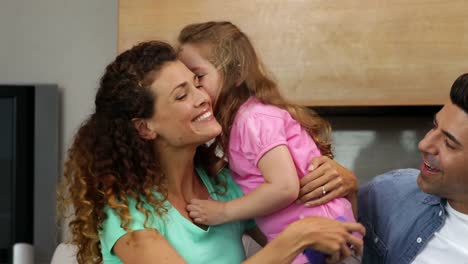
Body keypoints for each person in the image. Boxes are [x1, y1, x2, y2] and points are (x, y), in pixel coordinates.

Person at [58, 40, 365, 264]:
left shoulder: (224, 188)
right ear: (145, 128)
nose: (203, 98)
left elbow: (324, 235)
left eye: (197, 83)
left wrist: (345, 185)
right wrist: (299, 235)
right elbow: (293, 239)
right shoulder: (129, 218)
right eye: (181, 95)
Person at [177, 21, 360, 264]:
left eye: (199, 77)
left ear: (236, 74)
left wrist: (224, 212)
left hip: (321, 238)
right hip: (312, 239)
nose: (196, 92)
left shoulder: (253, 120)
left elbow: (284, 187)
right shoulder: (241, 123)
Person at [358, 73, 468, 263]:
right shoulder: (389, 191)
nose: (424, 144)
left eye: (449, 144)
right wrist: (341, 192)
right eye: (434, 126)